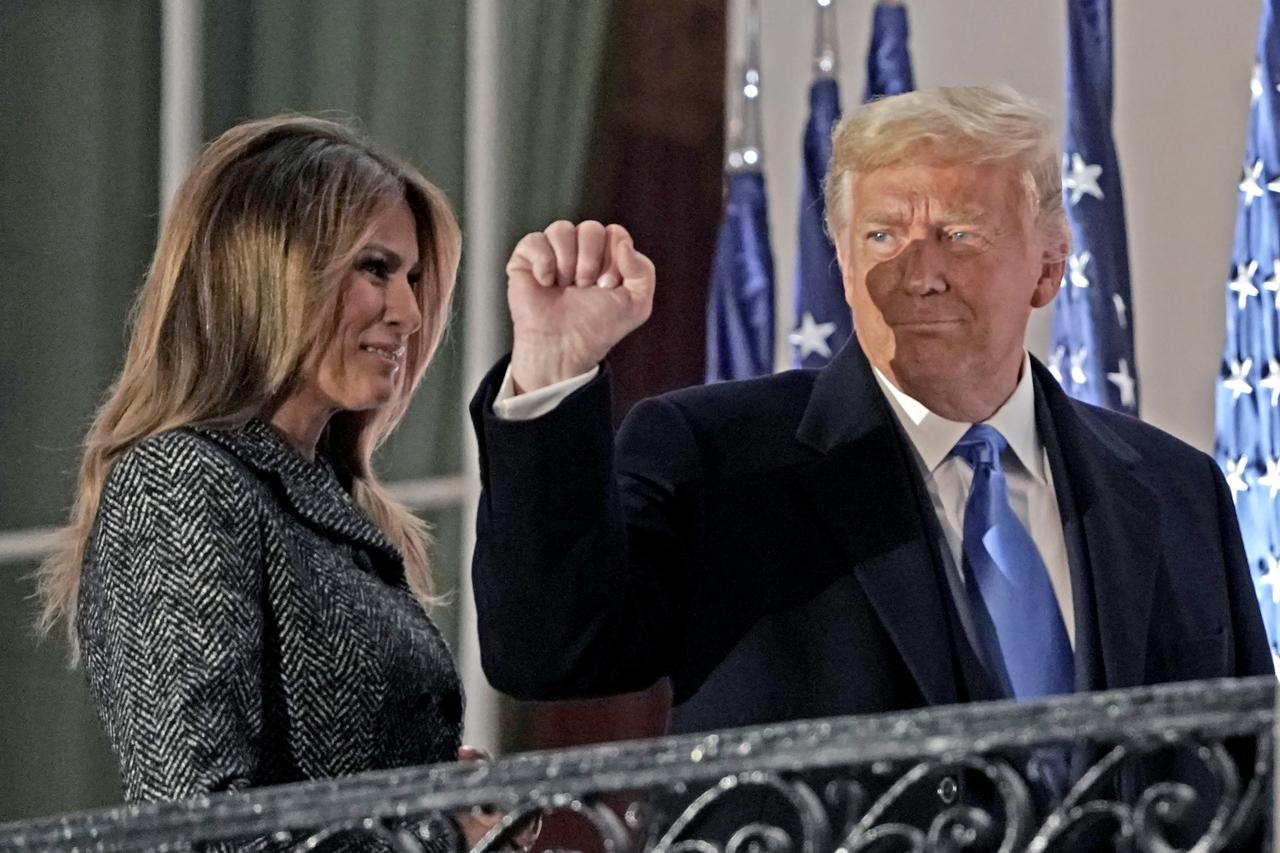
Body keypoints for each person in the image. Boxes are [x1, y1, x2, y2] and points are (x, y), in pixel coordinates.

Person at [469, 86, 1272, 831]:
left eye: (960, 234)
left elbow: (1247, 779)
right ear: (844, 263)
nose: (919, 273)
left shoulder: (1176, 489)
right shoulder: (719, 457)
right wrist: (552, 368)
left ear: (1049, 266)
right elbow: (548, 650)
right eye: (883, 235)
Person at [36, 116, 505, 848]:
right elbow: (198, 827)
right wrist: (440, 831)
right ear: (271, 270)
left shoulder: (328, 502)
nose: (410, 313)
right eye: (376, 269)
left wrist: (440, 796)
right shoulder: (176, 481)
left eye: (412, 278)